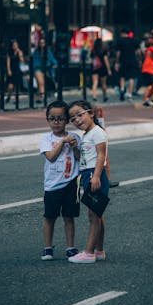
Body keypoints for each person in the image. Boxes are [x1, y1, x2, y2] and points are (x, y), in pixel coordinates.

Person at [67, 100, 110, 264]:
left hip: (94, 174)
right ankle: (99, 250)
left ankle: (89, 253)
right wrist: (75, 149)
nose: (77, 120)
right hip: (88, 174)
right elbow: (82, 158)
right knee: (97, 214)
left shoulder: (97, 132)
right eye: (73, 118)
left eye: (80, 115)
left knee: (93, 215)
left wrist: (97, 176)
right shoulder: (87, 135)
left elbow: (101, 155)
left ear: (91, 113)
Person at [40, 100, 81, 260]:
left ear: (67, 120)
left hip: (71, 184)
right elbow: (50, 157)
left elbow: (79, 157)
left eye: (60, 118)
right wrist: (61, 142)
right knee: (49, 217)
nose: (56, 122)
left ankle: (70, 247)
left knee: (69, 217)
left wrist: (75, 146)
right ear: (48, 120)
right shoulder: (46, 139)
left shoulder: (75, 137)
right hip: (52, 185)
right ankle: (47, 248)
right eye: (52, 118)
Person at [114, 28, 141, 101]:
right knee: (131, 77)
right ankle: (129, 93)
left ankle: (122, 89)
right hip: (132, 61)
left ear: (122, 33)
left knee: (122, 76)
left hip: (123, 61)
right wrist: (139, 60)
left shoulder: (120, 41)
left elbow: (118, 53)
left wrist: (116, 62)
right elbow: (138, 52)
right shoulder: (134, 41)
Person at [32, 38, 58, 104]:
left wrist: (55, 64)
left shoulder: (48, 51)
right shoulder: (36, 52)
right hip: (37, 69)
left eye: (43, 43)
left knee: (39, 85)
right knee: (41, 83)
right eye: (41, 43)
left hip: (45, 69)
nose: (42, 44)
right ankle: (43, 97)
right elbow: (34, 62)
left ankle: (38, 98)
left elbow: (52, 59)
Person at [6, 39, 24, 103]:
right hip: (11, 69)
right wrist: (9, 70)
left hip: (17, 70)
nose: (14, 46)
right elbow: (8, 62)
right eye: (13, 45)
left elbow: (22, 60)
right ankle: (9, 96)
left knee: (17, 86)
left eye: (16, 45)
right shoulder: (9, 52)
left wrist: (19, 52)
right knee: (10, 86)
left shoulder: (20, 52)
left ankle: (16, 99)